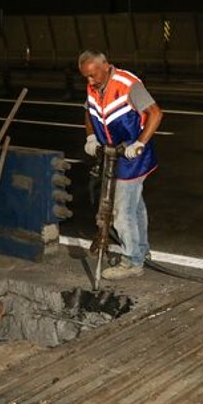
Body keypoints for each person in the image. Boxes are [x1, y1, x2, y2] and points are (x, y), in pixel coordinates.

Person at [80, 49, 164, 280]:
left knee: (121, 212)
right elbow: (88, 111)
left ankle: (132, 262)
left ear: (106, 66)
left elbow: (155, 114)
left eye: (93, 75)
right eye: (86, 77)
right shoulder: (94, 87)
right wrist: (91, 137)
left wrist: (138, 143)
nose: (89, 81)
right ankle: (141, 251)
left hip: (133, 156)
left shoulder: (128, 85)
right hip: (113, 154)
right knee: (135, 207)